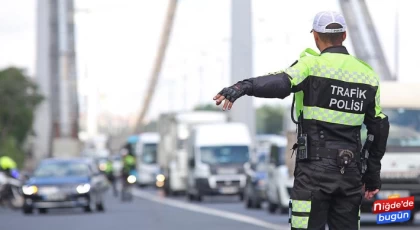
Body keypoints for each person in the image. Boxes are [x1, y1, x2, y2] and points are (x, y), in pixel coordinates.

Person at [213, 11, 389, 230]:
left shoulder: (310, 66)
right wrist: (372, 176)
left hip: (314, 173)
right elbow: (379, 127)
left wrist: (242, 87)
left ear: (315, 36)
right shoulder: (367, 75)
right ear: (344, 35)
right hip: (350, 172)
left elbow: (279, 83)